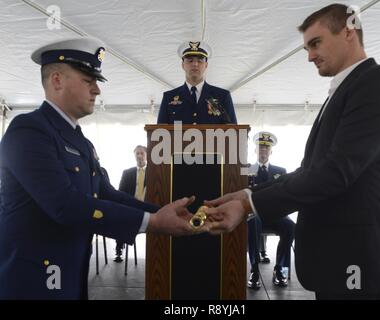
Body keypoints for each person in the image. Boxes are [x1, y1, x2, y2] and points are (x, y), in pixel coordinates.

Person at [205, 3, 380, 299]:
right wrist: (248, 194)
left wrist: (249, 206)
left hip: (364, 257)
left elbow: (334, 173)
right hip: (339, 257)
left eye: (316, 43)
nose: (311, 56)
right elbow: (311, 169)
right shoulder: (345, 90)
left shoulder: (379, 83)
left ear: (349, 32)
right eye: (307, 48)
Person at [0, 38, 206, 299]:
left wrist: (167, 212)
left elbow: (106, 193)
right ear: (56, 80)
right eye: (89, 81)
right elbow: (64, 204)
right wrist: (153, 222)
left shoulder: (80, 141)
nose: (97, 90)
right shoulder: (28, 130)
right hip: (32, 281)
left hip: (70, 274)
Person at [247, 132, 295, 289]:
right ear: (255, 150)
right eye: (260, 148)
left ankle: (281, 269)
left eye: (266, 149)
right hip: (255, 214)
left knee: (290, 226)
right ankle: (254, 269)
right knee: (253, 223)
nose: (263, 151)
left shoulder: (280, 171)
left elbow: (285, 195)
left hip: (274, 214)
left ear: (271, 152)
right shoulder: (246, 170)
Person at [157, 41, 237, 124]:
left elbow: (233, 132)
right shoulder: (168, 98)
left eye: (200, 60)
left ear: (206, 65)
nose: (195, 64)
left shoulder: (222, 97)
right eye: (190, 60)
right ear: (183, 65)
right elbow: (159, 133)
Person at [114, 145, 148, 262]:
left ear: (146, 155)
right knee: (119, 218)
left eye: (141, 153)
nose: (139, 156)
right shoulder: (127, 173)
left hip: (147, 207)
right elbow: (120, 192)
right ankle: (119, 250)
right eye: (137, 154)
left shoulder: (154, 173)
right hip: (130, 206)